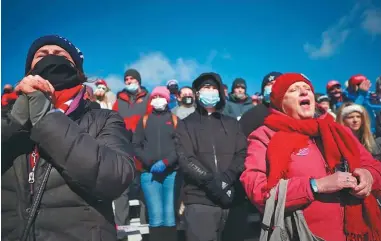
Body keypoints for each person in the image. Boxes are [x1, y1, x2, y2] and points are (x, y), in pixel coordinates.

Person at [1, 35, 136, 241]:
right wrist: (12, 121)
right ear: (28, 71)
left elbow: (116, 177)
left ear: (77, 70)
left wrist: (46, 118)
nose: (50, 58)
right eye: (42, 55)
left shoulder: (103, 118)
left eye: (60, 55)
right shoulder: (8, 118)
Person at [240, 73, 381, 241]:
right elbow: (257, 190)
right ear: (279, 102)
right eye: (293, 90)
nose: (303, 92)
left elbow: (374, 166)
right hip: (303, 234)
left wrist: (369, 176)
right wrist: (315, 185)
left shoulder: (337, 130)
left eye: (307, 88)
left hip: (357, 234)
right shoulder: (264, 136)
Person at [175, 72, 247, 241]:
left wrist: (227, 179)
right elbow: (185, 158)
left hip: (232, 198)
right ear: (197, 93)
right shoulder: (186, 124)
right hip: (199, 200)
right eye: (206, 87)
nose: (211, 91)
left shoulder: (232, 123)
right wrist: (210, 182)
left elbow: (243, 153)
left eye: (214, 88)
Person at [133, 86, 178, 241]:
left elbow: (180, 146)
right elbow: (136, 145)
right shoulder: (144, 119)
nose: (157, 99)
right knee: (156, 216)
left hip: (171, 173)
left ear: (167, 99)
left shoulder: (174, 120)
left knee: (170, 216)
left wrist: (166, 162)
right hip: (149, 173)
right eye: (154, 96)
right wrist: (150, 162)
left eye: (161, 96)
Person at [112, 68, 150, 227]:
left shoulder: (148, 98)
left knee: (144, 187)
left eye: (131, 79)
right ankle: (121, 227)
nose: (128, 82)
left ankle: (145, 223)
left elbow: (151, 120)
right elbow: (113, 120)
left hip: (143, 146)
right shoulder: (119, 100)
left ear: (138, 80)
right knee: (122, 186)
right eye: (126, 79)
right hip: (123, 146)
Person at [239, 71, 282, 137]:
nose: (273, 87)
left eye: (277, 83)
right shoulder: (251, 115)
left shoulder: (293, 113)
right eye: (269, 84)